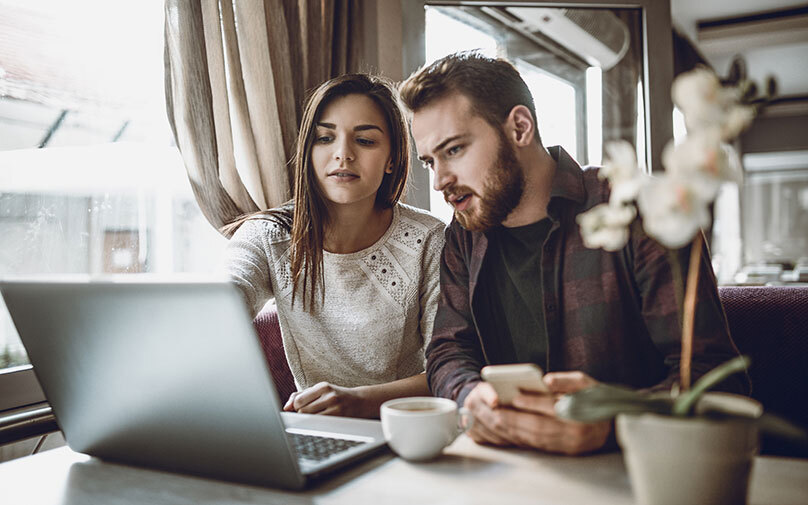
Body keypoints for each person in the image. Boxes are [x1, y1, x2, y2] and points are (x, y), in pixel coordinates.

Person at [399, 52, 747, 454]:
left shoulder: (643, 210)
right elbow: (447, 351)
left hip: (639, 470)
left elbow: (718, 382)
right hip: (508, 471)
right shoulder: (463, 236)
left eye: (455, 150)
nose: (441, 180)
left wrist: (614, 422)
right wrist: (470, 395)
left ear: (519, 127)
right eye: (429, 162)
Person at [225, 74, 445, 419]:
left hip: (408, 430)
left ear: (392, 158)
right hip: (319, 432)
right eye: (325, 138)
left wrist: (359, 401)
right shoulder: (268, 234)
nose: (343, 154)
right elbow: (223, 297)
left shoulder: (428, 239)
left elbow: (449, 372)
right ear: (308, 153)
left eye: (365, 141)